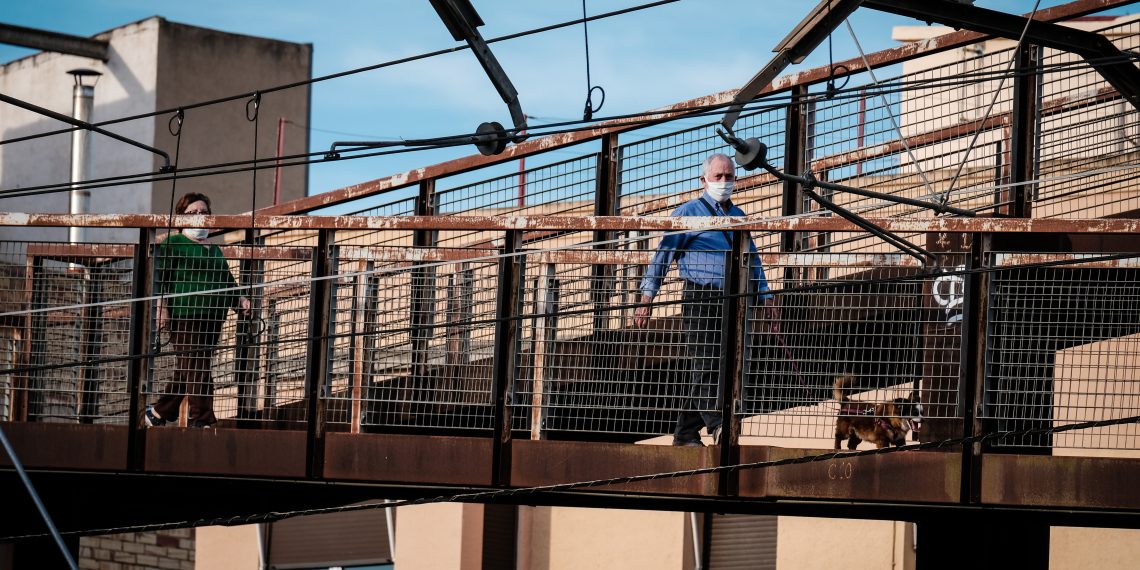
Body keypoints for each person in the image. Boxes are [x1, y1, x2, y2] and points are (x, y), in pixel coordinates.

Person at [633, 153, 778, 447]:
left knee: (728, 364)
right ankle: (718, 425)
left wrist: (766, 297)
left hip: (736, 298)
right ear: (704, 180)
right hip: (702, 295)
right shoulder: (687, 213)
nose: (724, 182)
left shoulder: (738, 217)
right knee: (707, 363)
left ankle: (685, 434)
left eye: (729, 176)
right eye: (718, 176)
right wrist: (646, 297)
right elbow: (662, 258)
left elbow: (753, 261)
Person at [145, 192, 250, 428]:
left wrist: (240, 300)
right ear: (181, 217)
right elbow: (160, 280)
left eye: (203, 212)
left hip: (212, 317)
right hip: (185, 316)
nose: (199, 217)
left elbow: (226, 281)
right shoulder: (173, 244)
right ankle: (202, 419)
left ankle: (158, 413)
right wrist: (161, 309)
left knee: (189, 368)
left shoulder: (213, 250)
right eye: (192, 213)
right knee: (198, 368)